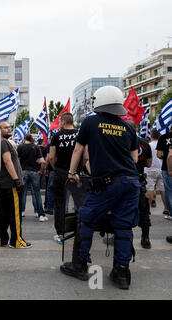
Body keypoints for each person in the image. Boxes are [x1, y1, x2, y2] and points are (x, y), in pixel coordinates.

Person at [60, 86, 140, 290]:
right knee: (123, 226)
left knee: (86, 219)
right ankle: (122, 272)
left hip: (107, 183)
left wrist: (71, 173)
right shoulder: (129, 127)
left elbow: (78, 150)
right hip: (131, 182)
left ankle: (79, 264)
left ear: (100, 101)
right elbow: (134, 159)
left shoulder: (91, 122)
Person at [0, 121, 31, 249]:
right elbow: (7, 161)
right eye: (6, 127)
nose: (9, 129)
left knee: (3, 213)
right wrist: (16, 180)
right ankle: (16, 241)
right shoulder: (3, 142)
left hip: (0, 183)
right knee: (15, 213)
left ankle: (3, 239)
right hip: (9, 184)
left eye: (9, 127)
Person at [49, 113, 78, 244]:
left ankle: (60, 233)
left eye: (60, 122)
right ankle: (81, 230)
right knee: (80, 202)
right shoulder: (80, 134)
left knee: (60, 204)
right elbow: (85, 155)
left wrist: (56, 168)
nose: (59, 124)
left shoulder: (56, 136)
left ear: (64, 122)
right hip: (77, 173)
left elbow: (51, 157)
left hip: (61, 172)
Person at [17, 134, 48, 221]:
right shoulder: (36, 147)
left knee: (23, 193)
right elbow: (42, 161)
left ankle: (21, 211)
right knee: (36, 193)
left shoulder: (20, 147)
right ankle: (40, 214)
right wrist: (41, 171)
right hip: (34, 172)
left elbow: (17, 160)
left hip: (23, 172)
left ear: (24, 138)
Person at [145, 129, 168, 217]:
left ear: (151, 136)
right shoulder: (162, 143)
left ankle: (147, 210)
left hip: (150, 169)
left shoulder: (148, 145)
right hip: (161, 168)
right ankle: (166, 208)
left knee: (149, 189)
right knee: (163, 189)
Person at [157, 129, 172, 225]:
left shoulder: (163, 137)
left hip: (167, 168)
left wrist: (165, 157)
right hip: (166, 168)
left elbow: (158, 154)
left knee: (169, 190)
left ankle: (171, 213)